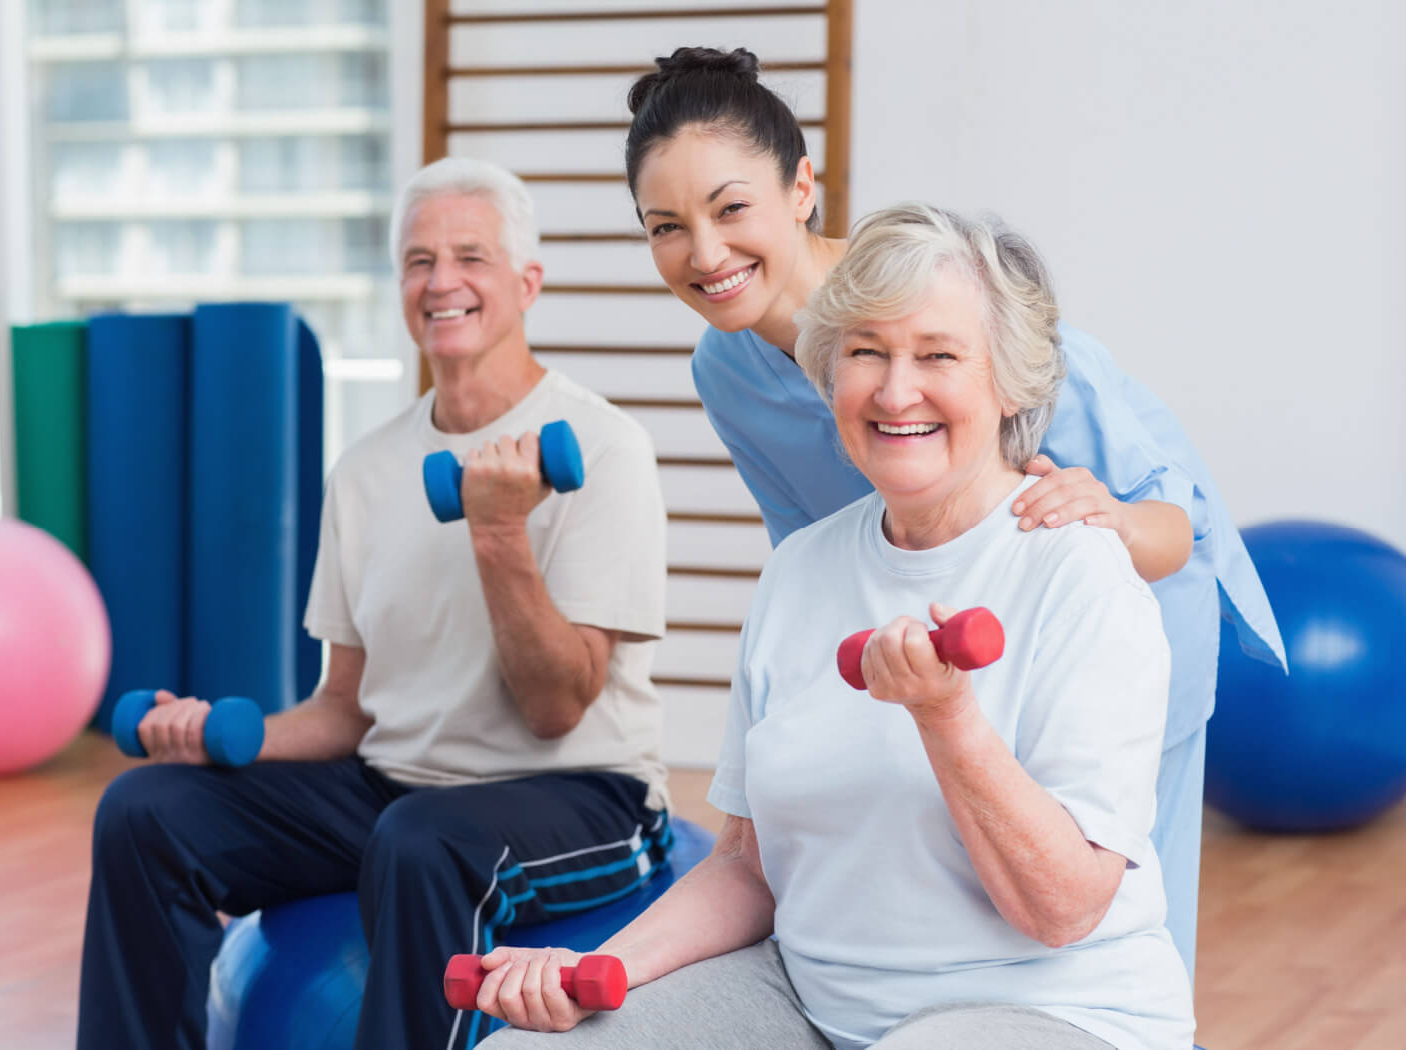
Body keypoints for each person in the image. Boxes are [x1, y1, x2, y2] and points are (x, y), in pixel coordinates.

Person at [616, 45, 1285, 975]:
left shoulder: (948, 303)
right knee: (960, 918)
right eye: (666, 227)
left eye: (731, 208)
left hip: (1118, 614)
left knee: (1113, 938)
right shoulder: (724, 370)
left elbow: (1174, 528)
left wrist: (1114, 522)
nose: (705, 252)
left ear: (801, 187)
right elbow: (809, 555)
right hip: (959, 646)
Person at [476, 204, 1195, 1050]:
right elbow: (748, 867)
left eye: (938, 355)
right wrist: (596, 969)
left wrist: (947, 718)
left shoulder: (1079, 571)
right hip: (810, 1003)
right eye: (865, 353)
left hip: (1055, 1007)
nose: (895, 391)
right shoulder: (801, 570)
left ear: (1008, 383)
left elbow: (1064, 908)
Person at [76, 157, 672, 1050]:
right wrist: (212, 733)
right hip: (397, 790)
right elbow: (346, 706)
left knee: (422, 841)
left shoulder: (605, 448)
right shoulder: (365, 470)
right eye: (418, 261)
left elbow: (556, 709)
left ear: (527, 282)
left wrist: (499, 533)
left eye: (470, 256)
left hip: (581, 794)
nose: (441, 282)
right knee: (143, 812)